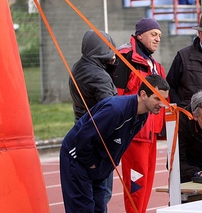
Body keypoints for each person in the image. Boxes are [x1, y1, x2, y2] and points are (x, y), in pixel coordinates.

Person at [60, 74, 170, 213]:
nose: (162, 104)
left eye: (164, 100)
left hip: (99, 163)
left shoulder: (143, 115)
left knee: (99, 207)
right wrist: (90, 163)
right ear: (143, 94)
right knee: (83, 207)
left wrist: (104, 166)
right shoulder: (116, 110)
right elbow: (83, 136)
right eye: (157, 98)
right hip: (77, 157)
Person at [113, 18, 167, 213]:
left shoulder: (155, 66)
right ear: (140, 35)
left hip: (151, 135)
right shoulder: (125, 57)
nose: (157, 39)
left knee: (147, 182)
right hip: (134, 134)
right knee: (136, 183)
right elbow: (116, 97)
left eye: (159, 35)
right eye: (153, 34)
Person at [68, 29, 117, 212]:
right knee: (101, 193)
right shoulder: (98, 76)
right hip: (98, 138)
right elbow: (110, 109)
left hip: (81, 130)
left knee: (88, 192)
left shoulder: (79, 66)